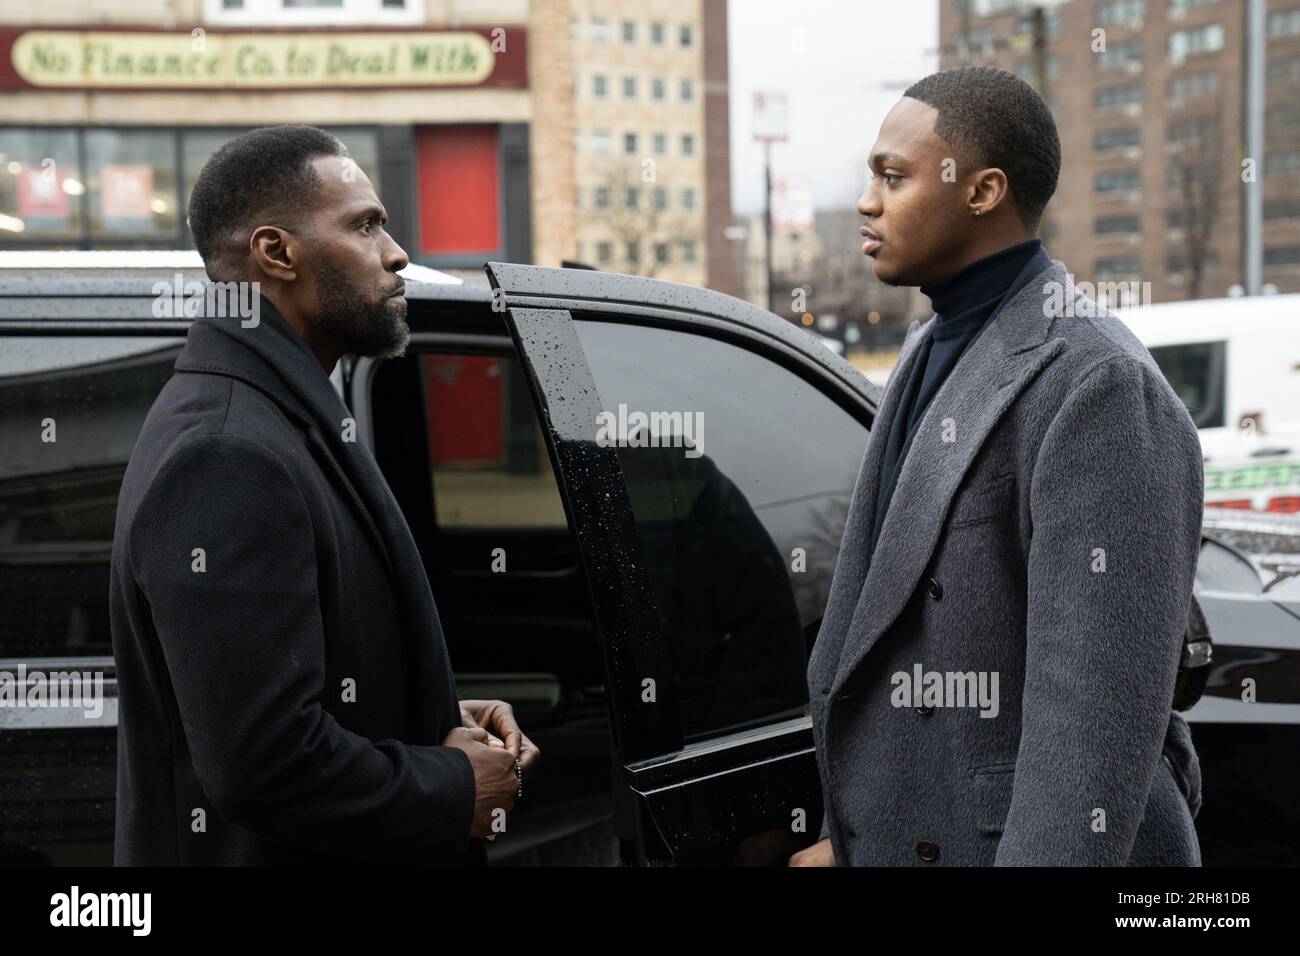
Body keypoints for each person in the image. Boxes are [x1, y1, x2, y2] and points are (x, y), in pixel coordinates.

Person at [790, 67, 1204, 867]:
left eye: (893, 176)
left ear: (981, 193)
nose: (867, 202)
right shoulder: (928, 347)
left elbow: (1088, 730)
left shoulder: (1099, 384)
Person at [110, 125, 538, 865]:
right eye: (365, 225)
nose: (397, 251)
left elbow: (301, 690)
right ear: (277, 253)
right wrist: (448, 787)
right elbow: (264, 761)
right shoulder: (227, 450)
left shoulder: (278, 413)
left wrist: (424, 714)